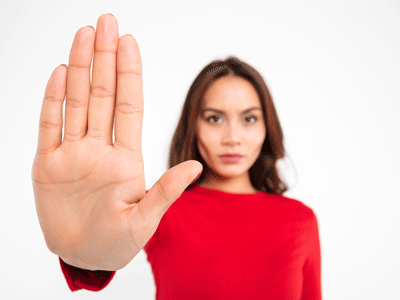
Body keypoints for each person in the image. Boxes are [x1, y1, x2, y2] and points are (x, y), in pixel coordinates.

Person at [31, 14, 321, 299]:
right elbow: (102, 248)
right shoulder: (160, 208)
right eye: (215, 119)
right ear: (193, 126)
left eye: (248, 119)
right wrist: (84, 254)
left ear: (267, 128)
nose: (233, 137)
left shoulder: (300, 221)